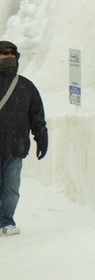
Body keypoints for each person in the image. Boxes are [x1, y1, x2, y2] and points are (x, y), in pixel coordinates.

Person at [0, 40, 48, 237]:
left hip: (15, 146)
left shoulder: (25, 86)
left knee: (11, 187)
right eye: (4, 52)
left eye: (12, 53)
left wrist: (41, 137)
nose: (9, 55)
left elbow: (37, 116)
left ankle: (7, 221)